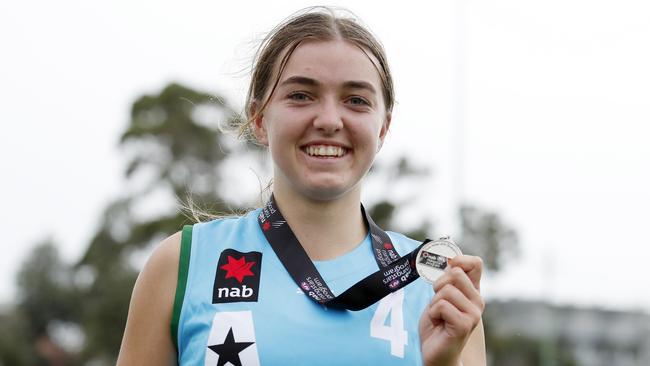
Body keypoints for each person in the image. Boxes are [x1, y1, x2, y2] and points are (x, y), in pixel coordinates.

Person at [117, 7, 486, 366]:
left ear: (383, 128)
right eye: (301, 95)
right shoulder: (182, 262)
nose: (328, 120)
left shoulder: (435, 282)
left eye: (356, 100)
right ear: (259, 118)